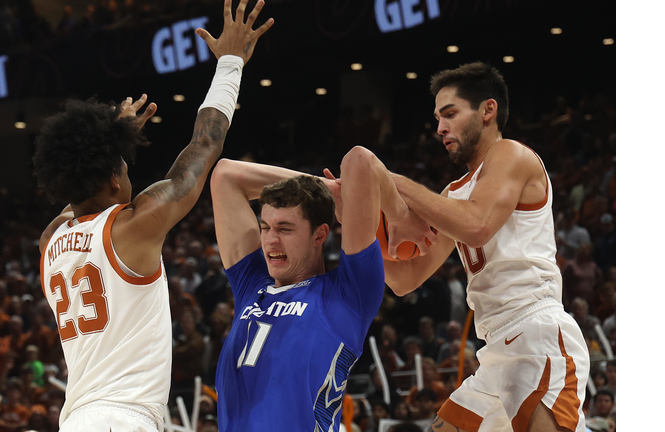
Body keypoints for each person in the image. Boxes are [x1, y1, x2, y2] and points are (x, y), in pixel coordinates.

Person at [32, 1, 274, 429]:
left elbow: (77, 189)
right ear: (110, 179)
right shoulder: (131, 226)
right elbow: (205, 145)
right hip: (122, 419)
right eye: (123, 165)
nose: (129, 171)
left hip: (76, 419)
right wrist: (231, 63)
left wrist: (109, 142)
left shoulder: (50, 242)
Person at [377, 62, 590, 431]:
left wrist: (387, 180)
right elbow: (404, 279)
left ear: (488, 110)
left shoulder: (511, 154)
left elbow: (476, 226)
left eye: (450, 114)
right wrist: (359, 226)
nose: (440, 127)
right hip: (495, 350)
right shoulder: (453, 194)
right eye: (437, 118)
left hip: (536, 332)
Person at [209, 144, 417, 431]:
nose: (270, 240)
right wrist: (329, 191)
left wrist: (397, 213)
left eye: (284, 229)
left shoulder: (345, 295)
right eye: (265, 227)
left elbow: (360, 160)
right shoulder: (251, 285)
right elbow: (224, 175)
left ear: (320, 235)